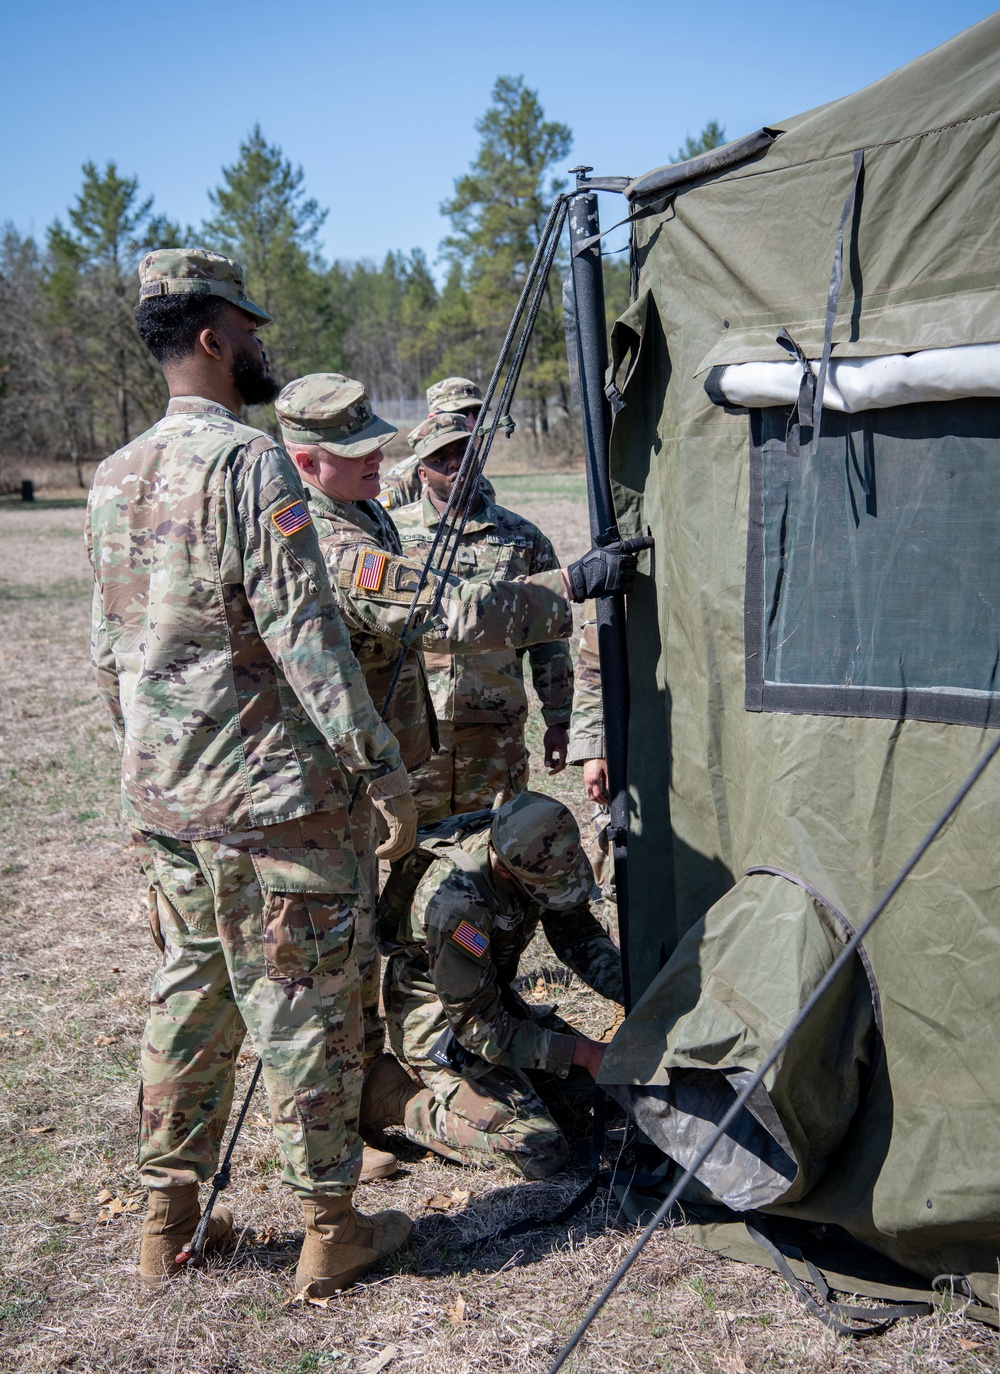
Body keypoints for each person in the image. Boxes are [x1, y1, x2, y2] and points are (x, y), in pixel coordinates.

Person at [86, 248, 416, 1297]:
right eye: (249, 326)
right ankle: (330, 1229)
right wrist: (382, 771)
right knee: (301, 1003)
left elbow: (110, 650)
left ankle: (166, 1224)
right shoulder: (247, 463)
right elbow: (305, 633)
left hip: (168, 798)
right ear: (214, 337)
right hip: (273, 803)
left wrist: (149, 764)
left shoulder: (114, 474)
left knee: (188, 996)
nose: (261, 344)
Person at [272, 372, 577, 1138]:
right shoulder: (337, 538)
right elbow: (445, 613)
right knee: (352, 941)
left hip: (432, 752)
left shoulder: (372, 514)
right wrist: (571, 583)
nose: (387, 458)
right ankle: (369, 1096)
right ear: (308, 461)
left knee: (453, 895)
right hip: (351, 778)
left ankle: (441, 1033)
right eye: (360, 449)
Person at [364, 792, 624, 1177]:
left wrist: (639, 994)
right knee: (539, 1148)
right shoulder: (458, 906)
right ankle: (394, 1098)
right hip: (439, 1021)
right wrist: (582, 1051)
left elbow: (577, 934)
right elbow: (476, 1030)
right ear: (504, 871)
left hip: (490, 1001)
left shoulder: (541, 850)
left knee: (606, 1094)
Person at [393, 414, 574, 821]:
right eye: (441, 458)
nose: (454, 463)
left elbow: (549, 640)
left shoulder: (522, 536)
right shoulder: (393, 534)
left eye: (463, 451)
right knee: (411, 845)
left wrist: (558, 717)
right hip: (417, 725)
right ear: (422, 473)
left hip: (496, 726)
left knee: (497, 840)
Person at [380, 376, 483, 511]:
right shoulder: (399, 482)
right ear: (433, 419)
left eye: (476, 413)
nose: (471, 423)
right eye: (459, 414)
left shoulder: (479, 480)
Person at [567, 619, 614, 901]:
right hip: (631, 738)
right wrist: (594, 747)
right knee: (619, 868)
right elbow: (593, 663)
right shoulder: (628, 572)